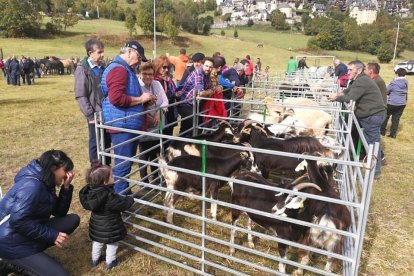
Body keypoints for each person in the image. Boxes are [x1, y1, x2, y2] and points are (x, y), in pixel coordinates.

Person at [0, 150, 80, 276]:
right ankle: (8, 262)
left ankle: (31, 257)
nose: (68, 174)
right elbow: (18, 221)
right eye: (66, 170)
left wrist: (66, 187)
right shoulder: (32, 187)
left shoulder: (46, 181)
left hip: (24, 232)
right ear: (54, 168)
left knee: (72, 220)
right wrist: (52, 235)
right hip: (10, 242)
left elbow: (59, 212)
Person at [101, 40, 157, 193]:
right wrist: (141, 99)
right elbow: (116, 98)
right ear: (129, 52)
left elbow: (124, 96)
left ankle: (124, 196)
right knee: (123, 166)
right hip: (123, 125)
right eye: (139, 56)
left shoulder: (125, 69)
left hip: (126, 123)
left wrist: (144, 101)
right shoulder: (119, 70)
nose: (139, 60)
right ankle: (121, 202)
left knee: (125, 164)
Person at [328, 60, 386, 179]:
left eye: (350, 70)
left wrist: (336, 98)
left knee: (372, 144)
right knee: (368, 142)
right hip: (369, 115)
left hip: (373, 116)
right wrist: (341, 92)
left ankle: (375, 172)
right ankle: (364, 160)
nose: (347, 72)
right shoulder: (360, 79)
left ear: (358, 70)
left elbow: (350, 97)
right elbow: (349, 90)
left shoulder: (363, 80)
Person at [79, 161, 134, 270]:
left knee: (97, 242)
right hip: (110, 227)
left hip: (97, 226)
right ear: (105, 182)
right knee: (112, 244)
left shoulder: (90, 192)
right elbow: (122, 204)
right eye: (112, 176)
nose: (114, 177)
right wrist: (130, 199)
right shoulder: (109, 196)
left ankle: (95, 259)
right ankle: (111, 261)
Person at [75, 38, 111, 166]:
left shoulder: (103, 68)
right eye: (99, 52)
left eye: (103, 52)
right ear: (90, 53)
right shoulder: (82, 69)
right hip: (95, 114)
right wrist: (90, 115)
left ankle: (106, 169)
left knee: (106, 142)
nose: (102, 55)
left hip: (106, 112)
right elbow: (80, 94)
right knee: (95, 142)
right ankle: (96, 172)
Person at [138, 62, 168, 183]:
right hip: (144, 123)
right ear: (140, 74)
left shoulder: (157, 84)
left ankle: (155, 178)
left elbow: (165, 101)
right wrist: (145, 115)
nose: (148, 77)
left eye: (150, 74)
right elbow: (135, 104)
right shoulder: (137, 86)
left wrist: (159, 113)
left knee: (156, 151)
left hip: (157, 122)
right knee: (144, 153)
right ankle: (144, 181)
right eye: (144, 73)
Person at [176, 57, 216, 137]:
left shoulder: (206, 75)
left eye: (210, 67)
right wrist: (211, 91)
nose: (208, 68)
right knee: (192, 123)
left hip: (194, 104)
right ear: (202, 65)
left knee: (194, 124)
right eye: (206, 66)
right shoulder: (198, 73)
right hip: (186, 103)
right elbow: (200, 93)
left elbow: (211, 88)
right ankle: (182, 144)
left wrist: (210, 91)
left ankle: (189, 143)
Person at [365, 62, 388, 164]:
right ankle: (378, 157)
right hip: (376, 111)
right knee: (372, 138)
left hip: (377, 112)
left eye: (365, 69)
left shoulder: (377, 81)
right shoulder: (374, 80)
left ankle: (380, 159)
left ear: (370, 71)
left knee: (373, 140)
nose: (364, 71)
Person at [154, 55, 178, 136]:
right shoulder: (154, 81)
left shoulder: (168, 79)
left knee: (169, 137)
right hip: (160, 113)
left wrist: (177, 94)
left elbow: (173, 92)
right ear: (158, 66)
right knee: (161, 137)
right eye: (164, 67)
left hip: (170, 111)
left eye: (168, 67)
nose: (167, 70)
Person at [381, 68, 408, 139]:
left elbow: (387, 91)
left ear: (397, 74)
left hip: (392, 102)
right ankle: (393, 134)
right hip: (402, 103)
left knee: (386, 116)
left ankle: (382, 131)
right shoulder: (406, 82)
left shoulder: (394, 83)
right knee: (396, 118)